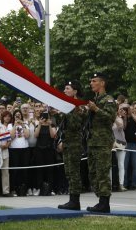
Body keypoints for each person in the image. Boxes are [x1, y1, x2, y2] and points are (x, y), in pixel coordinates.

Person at [86, 72, 116, 213]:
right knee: (93, 172)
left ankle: (104, 203)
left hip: (103, 141)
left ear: (102, 83)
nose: (91, 83)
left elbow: (110, 118)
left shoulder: (108, 100)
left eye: (94, 81)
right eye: (91, 81)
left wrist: (96, 109)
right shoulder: (95, 100)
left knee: (102, 172)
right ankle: (100, 200)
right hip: (92, 141)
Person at [58, 80, 86, 210]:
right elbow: (64, 127)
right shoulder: (68, 106)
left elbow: (75, 125)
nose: (65, 91)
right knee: (68, 172)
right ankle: (72, 200)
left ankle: (75, 201)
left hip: (75, 143)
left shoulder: (78, 106)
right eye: (65, 89)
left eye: (68, 88)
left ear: (75, 91)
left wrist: (66, 112)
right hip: (67, 142)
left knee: (74, 173)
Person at [112, 104, 128, 192]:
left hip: (120, 143)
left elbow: (121, 126)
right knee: (109, 165)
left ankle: (121, 184)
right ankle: (110, 185)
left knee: (121, 164)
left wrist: (113, 117)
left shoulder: (119, 118)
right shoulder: (107, 119)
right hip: (111, 144)